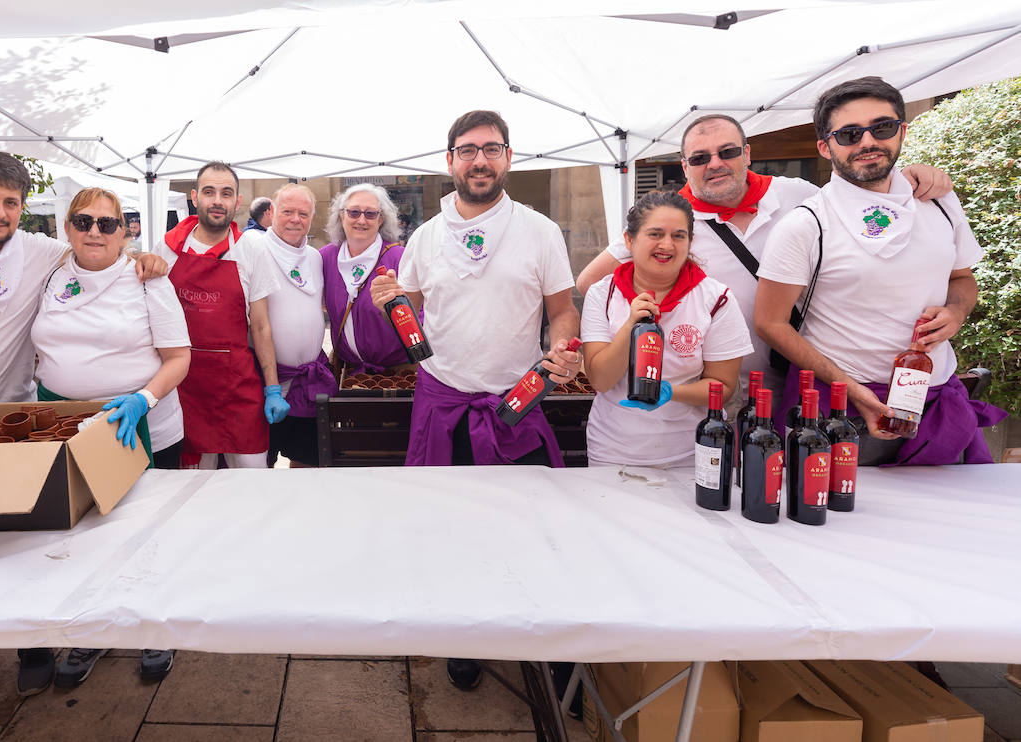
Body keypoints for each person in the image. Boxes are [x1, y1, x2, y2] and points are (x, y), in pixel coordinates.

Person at [0, 151, 168, 696]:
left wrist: (147, 256)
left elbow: (109, 251)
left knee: (30, 536)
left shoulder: (42, 252)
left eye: (10, 202)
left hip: (21, 418)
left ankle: (35, 646)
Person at [369, 110, 582, 691]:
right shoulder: (424, 236)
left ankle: (542, 639)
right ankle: (462, 635)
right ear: (450, 161)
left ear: (508, 158)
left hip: (516, 401)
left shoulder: (539, 230)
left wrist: (563, 344)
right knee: (448, 528)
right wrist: (388, 297)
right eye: (468, 150)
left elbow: (561, 308)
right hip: (442, 401)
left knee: (533, 528)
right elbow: (406, 309)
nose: (479, 160)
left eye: (491, 149)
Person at [574, 114, 955, 414]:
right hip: (716, 387)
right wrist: (651, 318)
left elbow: (863, 204)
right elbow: (590, 282)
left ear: (748, 153)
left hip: (805, 377)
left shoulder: (799, 195)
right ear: (685, 165)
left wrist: (910, 177)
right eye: (700, 158)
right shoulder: (671, 220)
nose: (716, 164)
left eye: (728, 152)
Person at [754, 76, 1005, 465]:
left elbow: (961, 278)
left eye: (882, 127)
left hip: (937, 400)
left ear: (901, 131)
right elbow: (770, 323)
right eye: (850, 134)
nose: (867, 142)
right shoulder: (805, 224)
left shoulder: (938, 201)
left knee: (949, 519)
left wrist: (956, 312)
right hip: (839, 410)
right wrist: (851, 390)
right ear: (825, 146)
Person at [31, 187, 191, 685]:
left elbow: (180, 357)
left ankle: (151, 627)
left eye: (107, 223)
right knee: (83, 532)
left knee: (147, 531)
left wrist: (142, 398)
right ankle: (94, 630)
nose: (94, 232)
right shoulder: (51, 272)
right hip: (68, 429)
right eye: (83, 221)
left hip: (139, 424)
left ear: (126, 230)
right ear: (67, 228)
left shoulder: (146, 279)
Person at [580, 190, 752, 466]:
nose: (667, 245)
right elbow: (600, 380)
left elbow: (724, 387)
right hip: (612, 451)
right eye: (655, 234)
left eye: (678, 236)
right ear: (629, 239)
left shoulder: (715, 299)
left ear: (691, 241)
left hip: (688, 454)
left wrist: (671, 392)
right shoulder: (603, 294)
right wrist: (631, 326)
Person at [159, 161, 286, 469]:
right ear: (194, 197)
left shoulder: (252, 250)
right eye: (209, 192)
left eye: (226, 193)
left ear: (237, 201)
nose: (218, 200)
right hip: (184, 387)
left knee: (252, 483)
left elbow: (260, 326)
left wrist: (272, 388)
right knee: (191, 493)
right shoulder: (168, 249)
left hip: (236, 387)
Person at [238, 184, 336, 467]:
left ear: (312, 217)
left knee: (306, 465)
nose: (295, 219)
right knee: (260, 466)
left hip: (306, 383)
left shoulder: (315, 258)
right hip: (263, 384)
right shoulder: (254, 246)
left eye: (303, 214)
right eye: (287, 211)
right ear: (271, 213)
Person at [320, 183, 413, 376]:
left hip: (397, 374)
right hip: (348, 374)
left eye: (370, 214)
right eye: (354, 212)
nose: (361, 220)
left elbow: (421, 321)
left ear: (381, 220)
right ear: (341, 216)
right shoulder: (326, 257)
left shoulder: (400, 258)